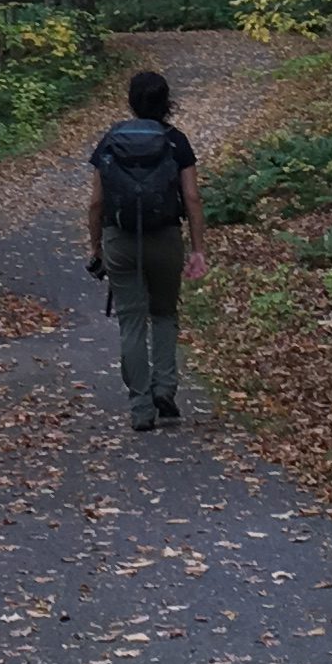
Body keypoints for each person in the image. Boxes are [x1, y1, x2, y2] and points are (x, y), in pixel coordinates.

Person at [86, 67, 202, 434]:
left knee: (132, 321)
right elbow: (193, 197)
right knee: (165, 315)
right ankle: (165, 389)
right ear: (166, 102)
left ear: (131, 102)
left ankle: (140, 409)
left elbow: (96, 203)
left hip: (120, 239)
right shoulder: (176, 141)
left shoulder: (111, 141)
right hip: (166, 236)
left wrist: (97, 248)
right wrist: (198, 248)